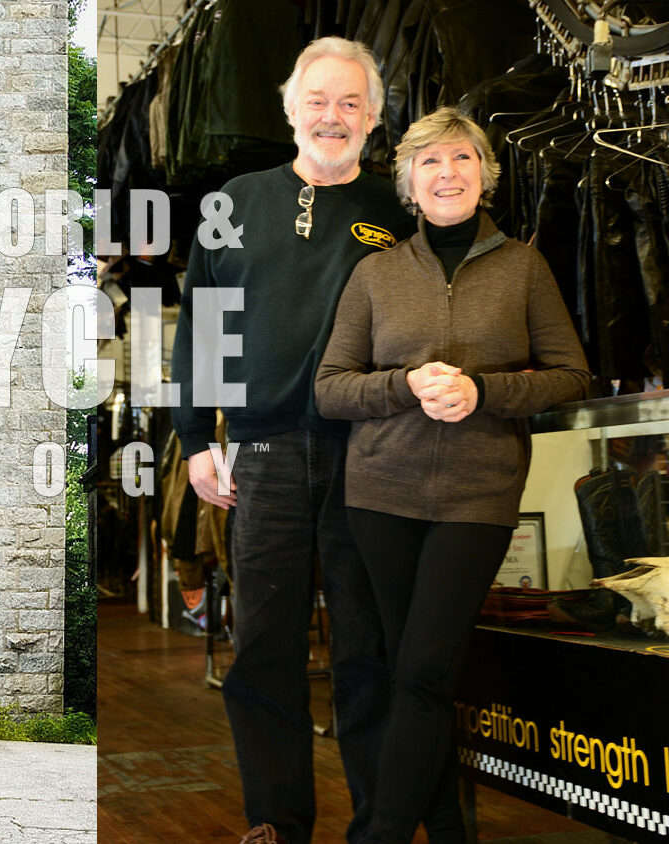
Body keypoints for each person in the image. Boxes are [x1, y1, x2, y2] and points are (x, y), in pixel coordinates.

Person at [313, 107, 590, 844]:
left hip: (478, 494)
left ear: (484, 173)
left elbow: (571, 375)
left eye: (462, 159)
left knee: (425, 671)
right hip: (381, 494)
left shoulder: (524, 265)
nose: (447, 174)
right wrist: (405, 384)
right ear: (408, 182)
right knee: (410, 673)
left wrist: (485, 393)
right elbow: (331, 388)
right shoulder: (375, 273)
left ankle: (380, 835)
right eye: (430, 162)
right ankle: (447, 832)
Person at [170, 37, 415, 844]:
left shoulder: (397, 207)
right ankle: (276, 820)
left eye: (350, 103)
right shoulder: (232, 201)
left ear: (375, 117)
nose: (332, 117)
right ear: (288, 109)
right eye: (318, 101)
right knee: (264, 648)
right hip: (262, 456)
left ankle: (381, 824)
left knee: (367, 648)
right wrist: (192, 438)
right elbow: (202, 330)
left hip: (371, 456)